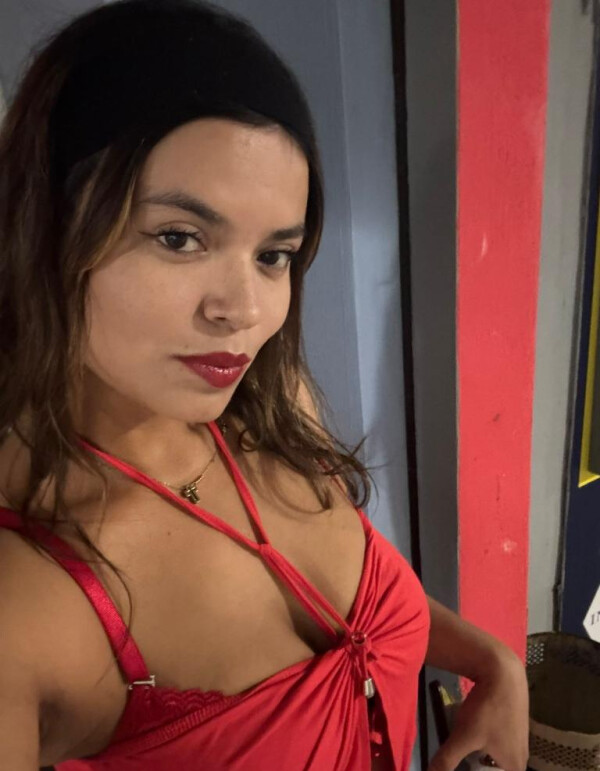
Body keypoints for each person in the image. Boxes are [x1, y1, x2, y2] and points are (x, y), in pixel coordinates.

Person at [0, 1, 529, 769]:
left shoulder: (263, 411)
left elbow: (356, 600)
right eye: (180, 238)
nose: (244, 312)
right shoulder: (26, 596)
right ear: (46, 230)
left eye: (273, 255)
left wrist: (491, 660)